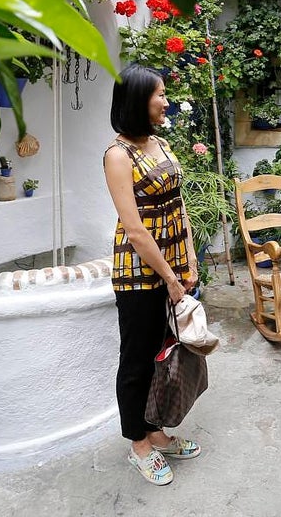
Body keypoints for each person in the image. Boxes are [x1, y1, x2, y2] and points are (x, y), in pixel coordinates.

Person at [104, 64, 201, 486]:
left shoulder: (160, 144)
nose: (166, 101)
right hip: (140, 273)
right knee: (139, 360)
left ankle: (157, 432)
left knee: (168, 355)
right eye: (159, 94)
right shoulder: (117, 155)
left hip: (176, 264)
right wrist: (170, 278)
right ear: (136, 100)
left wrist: (191, 262)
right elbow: (135, 227)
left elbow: (178, 206)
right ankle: (138, 444)